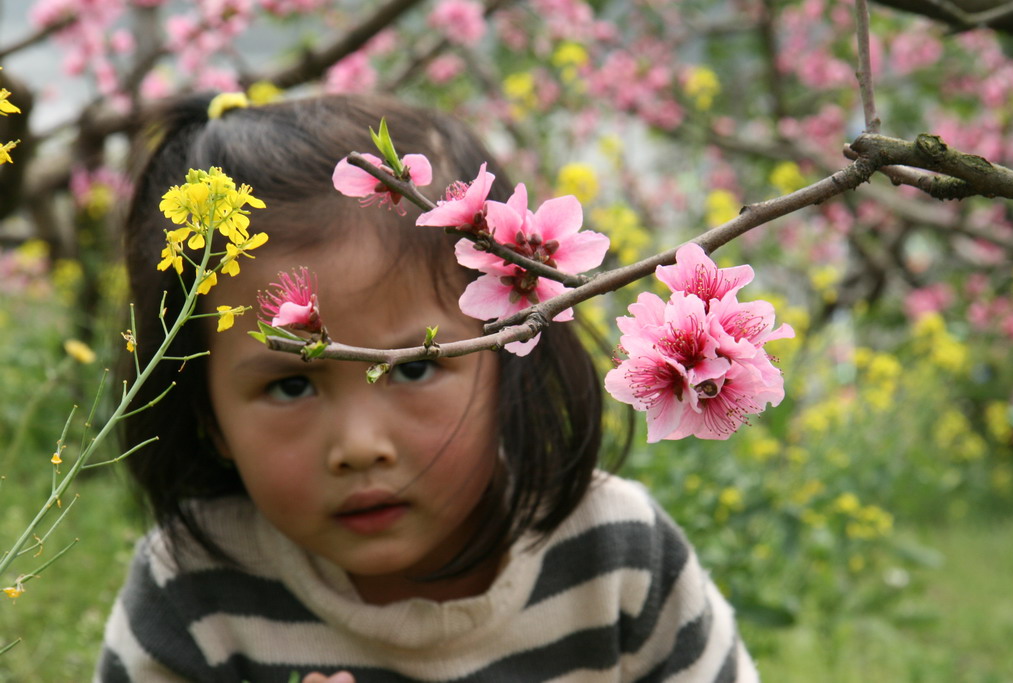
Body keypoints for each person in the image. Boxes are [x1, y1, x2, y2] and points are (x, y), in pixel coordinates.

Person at [96, 92, 759, 682]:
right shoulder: (191, 591)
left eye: (413, 367)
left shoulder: (618, 556)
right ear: (208, 414)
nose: (359, 447)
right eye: (292, 385)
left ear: (508, 354)